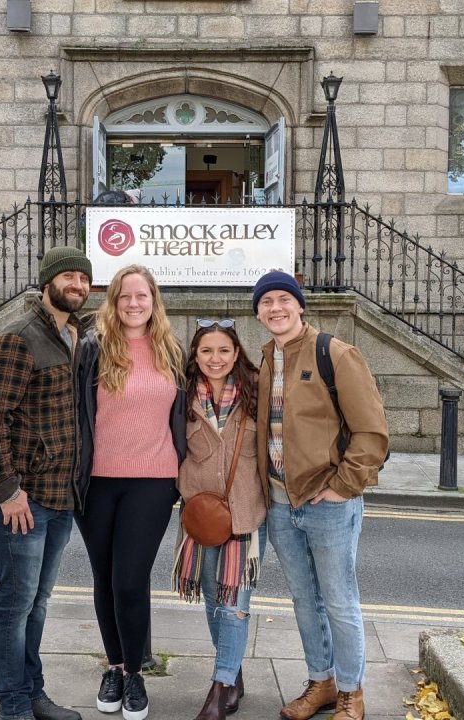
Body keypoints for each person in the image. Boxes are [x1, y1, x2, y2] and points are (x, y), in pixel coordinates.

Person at [252, 270, 389, 720]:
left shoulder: (336, 353)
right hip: (280, 503)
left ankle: (351, 691)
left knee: (339, 600)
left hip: (328, 503)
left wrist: (341, 486)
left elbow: (371, 431)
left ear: (299, 305)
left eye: (283, 299)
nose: (275, 308)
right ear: (258, 313)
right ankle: (322, 682)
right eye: (266, 302)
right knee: (304, 601)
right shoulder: (267, 359)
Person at [0, 246, 93, 720]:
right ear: (47, 283)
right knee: (14, 605)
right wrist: (8, 492)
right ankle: (14, 706)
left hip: (60, 498)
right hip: (22, 500)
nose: (77, 285)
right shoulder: (19, 338)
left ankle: (32, 692)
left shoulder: (76, 335)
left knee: (37, 605)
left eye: (84, 278)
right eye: (68, 277)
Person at [76, 264, 186, 720]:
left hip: (154, 481)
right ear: (114, 301)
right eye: (125, 296)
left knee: (129, 580)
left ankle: (137, 674)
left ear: (154, 300)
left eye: (142, 295)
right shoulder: (92, 347)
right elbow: (74, 410)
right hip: (96, 482)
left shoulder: (172, 350)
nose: (134, 303)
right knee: (104, 578)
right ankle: (116, 668)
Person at [172, 318, 268, 720]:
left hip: (245, 513)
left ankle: (219, 688)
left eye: (224, 350)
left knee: (233, 605)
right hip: (200, 515)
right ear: (195, 355)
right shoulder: (181, 396)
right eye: (207, 350)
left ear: (236, 353)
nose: (216, 358)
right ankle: (233, 673)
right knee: (213, 600)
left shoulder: (257, 390)